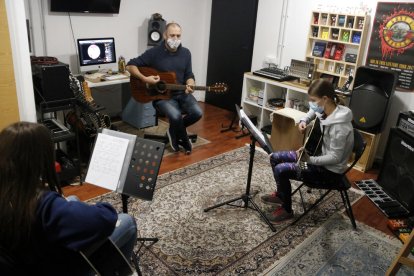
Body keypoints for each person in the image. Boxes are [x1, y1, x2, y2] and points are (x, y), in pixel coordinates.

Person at [0, 122, 137, 275]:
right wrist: (98, 207)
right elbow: (106, 219)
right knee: (127, 221)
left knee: (72, 199)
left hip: (23, 261)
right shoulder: (44, 204)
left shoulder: (9, 193)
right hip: (53, 267)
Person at [261, 79, 354, 223]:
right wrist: (304, 120)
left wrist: (309, 160)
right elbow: (313, 112)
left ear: (325, 98)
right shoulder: (327, 109)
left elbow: (335, 157)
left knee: (281, 169)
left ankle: (287, 210)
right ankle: (281, 195)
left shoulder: (339, 127)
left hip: (327, 172)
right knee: (275, 157)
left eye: (313, 100)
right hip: (315, 159)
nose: (311, 103)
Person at [126, 22, 202, 154]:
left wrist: (191, 83)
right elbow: (130, 65)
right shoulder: (154, 53)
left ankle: (173, 131)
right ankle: (183, 138)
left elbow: (189, 74)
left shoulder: (186, 53)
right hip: (162, 96)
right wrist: (144, 78)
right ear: (165, 35)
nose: (175, 39)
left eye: (178, 36)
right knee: (176, 115)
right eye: (172, 35)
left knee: (197, 113)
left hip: (182, 93)